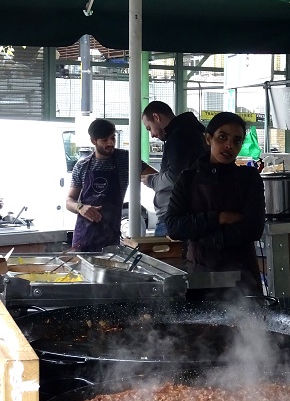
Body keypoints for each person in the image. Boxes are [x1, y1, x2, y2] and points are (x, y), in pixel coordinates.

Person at [165, 111, 266, 300]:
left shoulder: (249, 179)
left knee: (246, 329)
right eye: (222, 137)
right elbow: (173, 226)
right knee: (200, 328)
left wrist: (203, 237)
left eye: (237, 141)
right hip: (199, 276)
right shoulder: (187, 179)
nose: (229, 145)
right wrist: (219, 218)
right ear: (208, 138)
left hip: (241, 277)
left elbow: (254, 228)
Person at [67, 118, 156, 252]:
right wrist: (80, 207)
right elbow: (69, 201)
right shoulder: (82, 166)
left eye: (113, 138)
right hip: (84, 238)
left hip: (111, 238)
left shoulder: (125, 159)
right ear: (93, 141)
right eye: (104, 140)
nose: (110, 143)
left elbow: (156, 177)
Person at [141, 101, 207, 236]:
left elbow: (174, 176)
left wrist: (151, 181)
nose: (152, 135)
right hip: (185, 213)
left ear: (156, 117)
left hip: (173, 217)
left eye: (149, 128)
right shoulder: (191, 132)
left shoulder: (178, 136)